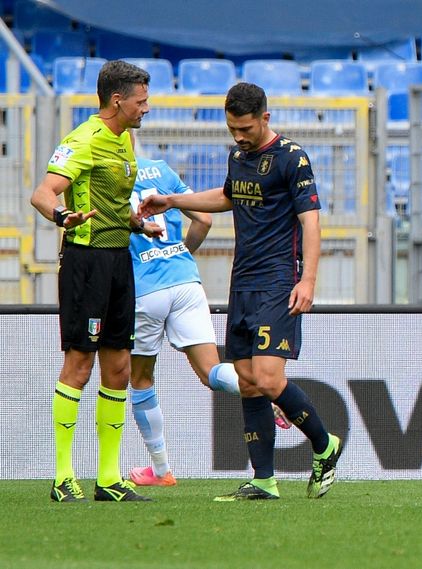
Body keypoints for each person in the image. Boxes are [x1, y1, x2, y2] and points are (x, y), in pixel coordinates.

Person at [138, 82, 342, 500]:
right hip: (243, 281)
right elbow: (228, 196)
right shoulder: (238, 156)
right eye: (233, 128)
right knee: (247, 381)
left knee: (267, 376)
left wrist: (308, 280)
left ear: (265, 118)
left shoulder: (292, 158)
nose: (239, 136)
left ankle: (324, 444)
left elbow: (311, 222)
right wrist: (174, 200)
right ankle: (264, 480)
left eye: (246, 128)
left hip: (279, 280)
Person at [127, 155, 294, 487]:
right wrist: (180, 254)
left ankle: (161, 470)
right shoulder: (161, 169)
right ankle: (269, 392)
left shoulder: (105, 174)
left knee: (141, 378)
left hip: (144, 288)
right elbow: (203, 219)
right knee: (211, 372)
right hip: (186, 281)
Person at [30, 60, 154, 502]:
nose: (146, 108)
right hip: (86, 262)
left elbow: (112, 202)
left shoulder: (125, 140)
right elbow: (42, 194)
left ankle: (108, 479)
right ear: (117, 101)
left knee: (119, 367)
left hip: (120, 259)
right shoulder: (82, 139)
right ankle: (63, 476)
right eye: (141, 102)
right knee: (80, 364)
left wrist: (138, 224)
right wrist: (63, 215)